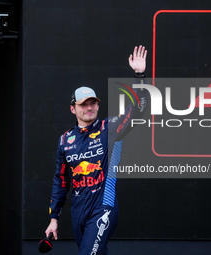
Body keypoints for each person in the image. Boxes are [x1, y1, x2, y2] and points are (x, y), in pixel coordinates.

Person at [45, 45, 149, 255]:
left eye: (93, 103)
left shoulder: (109, 128)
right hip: (78, 211)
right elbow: (60, 180)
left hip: (103, 208)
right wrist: (53, 218)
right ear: (73, 108)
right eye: (84, 104)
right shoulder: (65, 140)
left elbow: (139, 110)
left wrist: (139, 75)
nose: (89, 107)